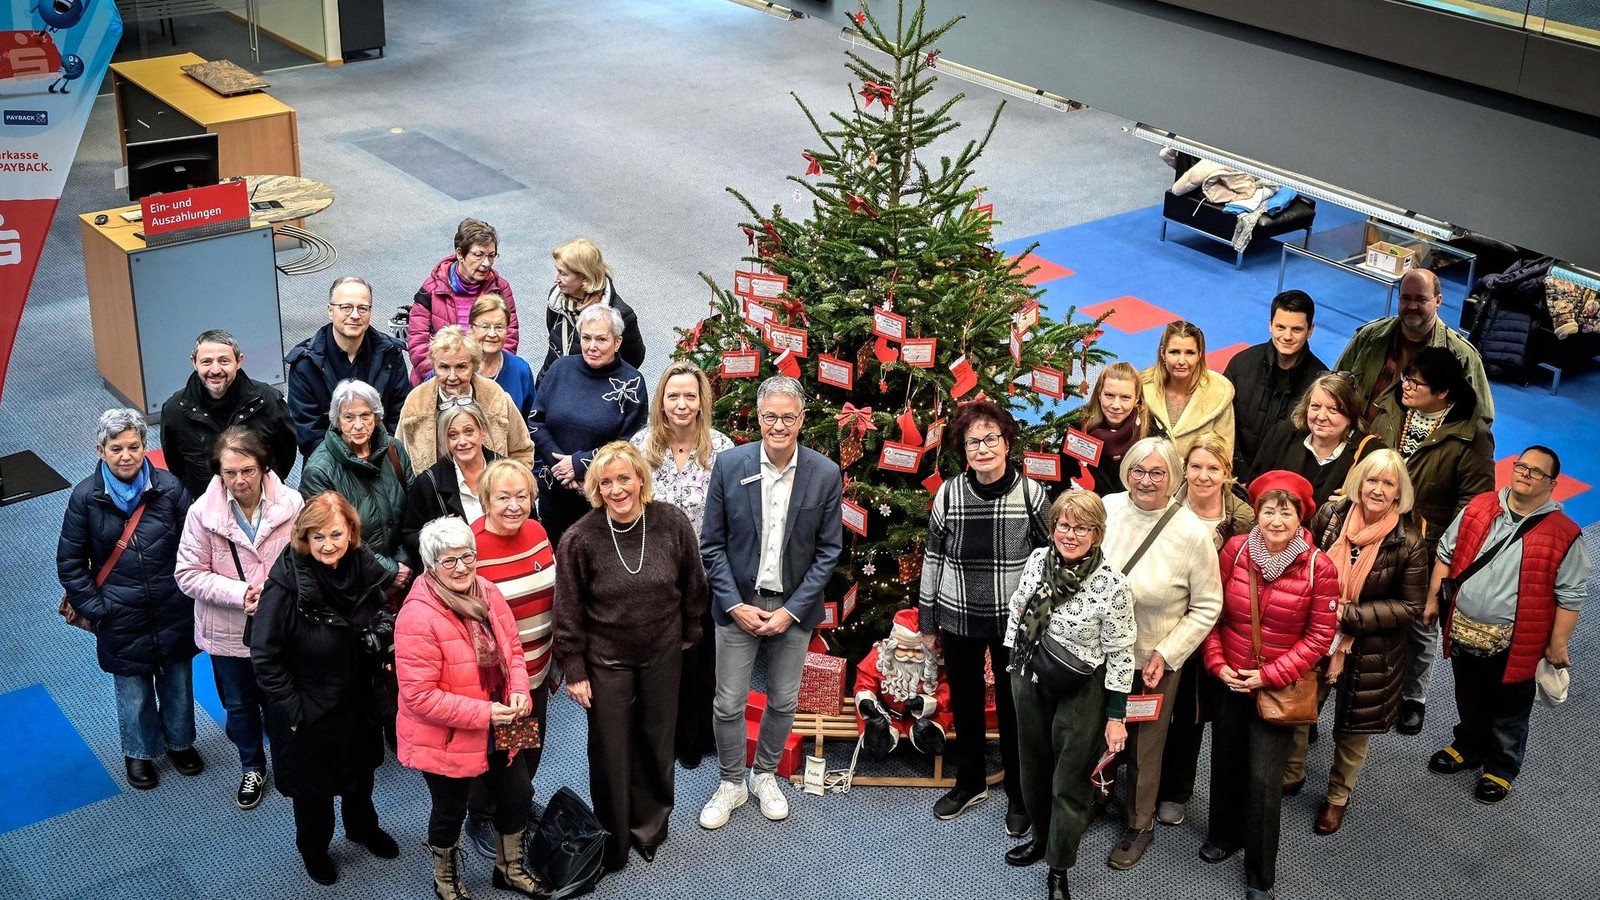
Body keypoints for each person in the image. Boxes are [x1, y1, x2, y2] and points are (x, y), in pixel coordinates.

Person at [553, 442, 708, 872]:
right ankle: (614, 837)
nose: (617, 489)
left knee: (657, 743)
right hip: (606, 659)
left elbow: (693, 583)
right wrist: (575, 670)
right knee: (609, 749)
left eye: (624, 478)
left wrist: (690, 631)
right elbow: (567, 611)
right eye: (606, 482)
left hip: (662, 651)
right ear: (595, 489)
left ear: (641, 478)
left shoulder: (671, 522)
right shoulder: (579, 538)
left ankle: (650, 827)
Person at [698, 376, 843, 831]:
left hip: (793, 608)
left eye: (787, 416)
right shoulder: (729, 464)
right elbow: (712, 546)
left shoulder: (825, 473)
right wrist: (735, 604)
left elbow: (828, 552)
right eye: (769, 416)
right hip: (737, 604)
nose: (778, 425)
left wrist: (791, 611)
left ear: (802, 419)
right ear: (757, 417)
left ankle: (763, 776)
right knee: (727, 703)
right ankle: (730, 782)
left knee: (782, 701)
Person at [249, 492, 400, 886]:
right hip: (308, 707)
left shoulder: (364, 566)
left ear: (351, 531)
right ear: (304, 539)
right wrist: (294, 711)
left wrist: (380, 634)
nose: (328, 545)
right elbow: (264, 655)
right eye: (318, 537)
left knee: (361, 774)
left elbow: (383, 610)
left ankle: (363, 829)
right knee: (312, 793)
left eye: (335, 534)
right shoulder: (285, 585)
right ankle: (314, 851)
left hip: (358, 697)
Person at [1426, 445, 1589, 805]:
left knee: (1510, 707)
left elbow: (1571, 596)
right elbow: (1446, 555)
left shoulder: (1564, 534)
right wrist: (1432, 600)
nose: (1524, 474)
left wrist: (1558, 644)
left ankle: (1501, 767)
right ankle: (1468, 745)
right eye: (1521, 466)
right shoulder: (1480, 507)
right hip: (1465, 629)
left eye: (1535, 471)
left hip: (1517, 643)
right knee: (1468, 693)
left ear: (1553, 484)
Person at [1201, 471, 1338, 900]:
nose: (1276, 520)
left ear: (1302, 517)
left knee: (1263, 780)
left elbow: (1319, 640)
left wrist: (1268, 676)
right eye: (1268, 510)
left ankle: (1261, 873)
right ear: (1256, 512)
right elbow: (1211, 612)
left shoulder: (1321, 567)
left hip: (1275, 688)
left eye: (1287, 511)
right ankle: (1224, 835)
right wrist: (1217, 664)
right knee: (1224, 761)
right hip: (1229, 680)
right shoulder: (1235, 550)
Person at [395, 516, 546, 899]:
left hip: (500, 719)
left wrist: (518, 692)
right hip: (447, 734)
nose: (461, 567)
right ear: (431, 566)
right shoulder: (417, 615)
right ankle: (445, 881)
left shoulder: (488, 592)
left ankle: (509, 870)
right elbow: (420, 697)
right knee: (450, 811)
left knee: (518, 796)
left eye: (467, 556)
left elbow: (512, 648)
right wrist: (484, 713)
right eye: (449, 561)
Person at [916, 399, 1049, 832]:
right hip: (959, 615)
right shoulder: (949, 493)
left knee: (1014, 710)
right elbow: (933, 559)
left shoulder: (1032, 494)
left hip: (1015, 621)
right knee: (967, 705)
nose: (983, 449)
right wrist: (927, 620)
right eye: (974, 442)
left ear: (1007, 443)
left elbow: (1050, 560)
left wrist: (1043, 619)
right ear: (964, 449)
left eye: (991, 439)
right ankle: (969, 781)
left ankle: (1018, 792)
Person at [1281, 450, 1426, 833]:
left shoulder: (1408, 541)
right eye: (1372, 480)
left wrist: (1346, 615)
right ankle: (1292, 773)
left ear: (1399, 493)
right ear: (1359, 481)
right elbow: (1303, 564)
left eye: (1388, 483)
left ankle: (1337, 797)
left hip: (1371, 650)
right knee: (1300, 709)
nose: (1377, 490)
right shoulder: (1331, 517)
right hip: (1314, 637)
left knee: (1354, 730)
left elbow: (1410, 607)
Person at [1002, 490, 1136, 900]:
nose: (1070, 534)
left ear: (1097, 534)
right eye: (1064, 525)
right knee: (1033, 767)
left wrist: (1116, 716)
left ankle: (1058, 868)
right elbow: (1018, 610)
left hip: (1082, 687)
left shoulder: (1113, 584)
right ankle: (1042, 839)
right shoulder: (1037, 560)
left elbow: (1121, 652)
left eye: (1082, 528)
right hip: (1030, 676)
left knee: (1069, 781)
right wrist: (1011, 666)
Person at [57, 409, 199, 791]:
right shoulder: (85, 498)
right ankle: (139, 753)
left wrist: (188, 594)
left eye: (133, 446)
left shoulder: (169, 488)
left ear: (144, 446)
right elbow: (70, 563)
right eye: (116, 448)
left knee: (179, 683)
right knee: (133, 692)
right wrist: (97, 610)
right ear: (100, 450)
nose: (126, 455)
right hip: (119, 614)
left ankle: (180, 743)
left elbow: (196, 544)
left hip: (172, 607)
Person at [1101, 436, 1223, 870]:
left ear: (1173, 478)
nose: (1145, 481)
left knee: (1143, 746)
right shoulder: (1108, 508)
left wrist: (1168, 654)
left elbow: (1208, 604)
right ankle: (1094, 800)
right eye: (1137, 470)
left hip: (1148, 661)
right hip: (1096, 652)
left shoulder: (1191, 532)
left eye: (1157, 473)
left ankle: (1140, 822)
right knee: (1091, 728)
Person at [175, 427, 305, 810]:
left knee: (282, 698)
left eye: (247, 470)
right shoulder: (202, 514)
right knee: (239, 704)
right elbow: (187, 574)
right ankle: (252, 765)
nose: (239, 481)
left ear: (264, 467)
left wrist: (277, 594)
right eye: (229, 473)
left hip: (281, 626)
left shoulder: (293, 504)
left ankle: (287, 762)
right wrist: (238, 594)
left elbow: (305, 561)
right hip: (230, 630)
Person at [1368, 346, 1495, 735]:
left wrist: (1444, 562)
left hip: (1427, 549)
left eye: (1415, 382)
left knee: (1422, 625)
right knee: (1367, 608)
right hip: (1373, 529)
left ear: (1442, 393)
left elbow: (1472, 509)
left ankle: (1413, 697)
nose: (1404, 385)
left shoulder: (1471, 438)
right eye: (1406, 376)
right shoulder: (1390, 407)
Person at [630, 359, 736, 767]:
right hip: (654, 575)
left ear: (701, 401)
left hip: (706, 573)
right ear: (661, 400)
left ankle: (694, 737)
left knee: (700, 660)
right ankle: (663, 735)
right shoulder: (641, 446)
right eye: (673, 395)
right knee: (661, 659)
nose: (681, 403)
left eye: (690, 395)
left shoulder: (721, 448)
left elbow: (733, 514)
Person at [1157, 431, 1254, 827]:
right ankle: (1138, 778)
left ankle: (1177, 790)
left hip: (1210, 628)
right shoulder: (1164, 505)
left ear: (1226, 473)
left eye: (1213, 468)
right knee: (1152, 704)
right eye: (1195, 466)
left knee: (1191, 713)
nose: (1202, 475)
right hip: (1163, 622)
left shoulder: (1242, 518)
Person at [468, 459, 557, 857]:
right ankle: (483, 815)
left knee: (529, 744)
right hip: (498, 679)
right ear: (486, 499)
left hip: (539, 666)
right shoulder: (471, 546)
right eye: (503, 497)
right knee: (500, 752)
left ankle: (516, 801)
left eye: (522, 496)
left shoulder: (538, 532)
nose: (513, 505)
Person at [530, 304, 648, 548]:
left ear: (617, 343)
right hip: (555, 487)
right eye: (586, 338)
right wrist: (561, 467)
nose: (592, 346)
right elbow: (535, 420)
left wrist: (579, 464)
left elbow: (629, 444)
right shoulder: (561, 368)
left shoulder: (632, 383)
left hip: (602, 496)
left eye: (601, 339)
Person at [1335, 267, 1494, 429]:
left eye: (1421, 299)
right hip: (1355, 441)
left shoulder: (1461, 356)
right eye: (1406, 298)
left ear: (1438, 301)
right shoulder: (1369, 337)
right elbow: (1336, 384)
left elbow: (1481, 420)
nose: (1412, 306)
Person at [300, 379, 414, 588]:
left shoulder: (394, 449)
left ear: (376, 416)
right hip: (358, 583)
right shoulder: (318, 471)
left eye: (365, 415)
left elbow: (415, 510)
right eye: (349, 417)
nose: (359, 425)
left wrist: (404, 561)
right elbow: (331, 538)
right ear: (337, 421)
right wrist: (389, 571)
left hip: (407, 571)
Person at [160, 329, 297, 501]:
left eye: (224, 361)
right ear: (194, 362)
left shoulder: (268, 402)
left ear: (239, 361)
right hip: (207, 508)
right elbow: (176, 465)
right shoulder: (175, 411)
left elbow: (286, 453)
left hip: (263, 502)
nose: (215, 370)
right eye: (206, 362)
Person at [286, 276, 411, 459]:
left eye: (362, 308)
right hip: (329, 465)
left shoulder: (390, 354)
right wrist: (353, 464)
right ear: (330, 310)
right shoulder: (305, 364)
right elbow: (309, 434)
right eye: (346, 307)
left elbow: (399, 416)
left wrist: (377, 458)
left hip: (382, 459)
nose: (354, 315)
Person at [396, 326, 534, 473]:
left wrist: (507, 487)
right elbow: (400, 461)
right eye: (444, 367)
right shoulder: (415, 403)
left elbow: (522, 451)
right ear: (434, 367)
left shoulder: (496, 397)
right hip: (434, 493)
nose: (452, 376)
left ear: (474, 366)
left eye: (461, 367)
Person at [1222, 291, 1328, 476]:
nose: (1287, 336)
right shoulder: (1241, 364)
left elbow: (1321, 442)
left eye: (1297, 329)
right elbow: (1222, 422)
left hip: (1283, 488)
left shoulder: (1321, 383)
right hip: (1232, 475)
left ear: (1310, 330)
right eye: (1280, 327)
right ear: (1270, 325)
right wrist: (1239, 474)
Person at [1247, 371, 1385, 509]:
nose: (1321, 416)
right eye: (1315, 406)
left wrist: (1356, 503)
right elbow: (1253, 489)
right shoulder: (1282, 435)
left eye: (1333, 409)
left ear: (1350, 415)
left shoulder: (1372, 454)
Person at [411, 217, 519, 384]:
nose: (486, 263)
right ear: (460, 254)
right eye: (478, 255)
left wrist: (489, 378)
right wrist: (443, 377)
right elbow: (418, 342)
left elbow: (509, 336)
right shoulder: (431, 289)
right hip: (441, 380)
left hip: (487, 380)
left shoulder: (500, 289)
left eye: (491, 256)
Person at [401, 402, 500, 567]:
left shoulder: (506, 471)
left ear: (483, 431)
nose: (462, 441)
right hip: (456, 576)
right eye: (453, 435)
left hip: (505, 565)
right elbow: (410, 535)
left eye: (469, 432)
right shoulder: (428, 483)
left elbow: (527, 521)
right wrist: (443, 540)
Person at [540, 237, 644, 381]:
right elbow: (552, 331)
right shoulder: (556, 298)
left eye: (562, 273)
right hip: (553, 382)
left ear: (585, 278)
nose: (556, 279)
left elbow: (633, 360)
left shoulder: (622, 315)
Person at [1140, 320, 1234, 461]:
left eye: (1189, 353)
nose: (1182, 361)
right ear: (1163, 353)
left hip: (1196, 480)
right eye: (1175, 352)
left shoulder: (1219, 394)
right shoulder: (1141, 387)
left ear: (1199, 355)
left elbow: (1223, 454)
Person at [1079, 362, 1163, 496]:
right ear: (1099, 394)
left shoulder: (1153, 432)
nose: (1116, 405)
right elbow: (1064, 479)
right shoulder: (1079, 425)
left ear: (1137, 399)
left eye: (1125, 397)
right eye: (1109, 395)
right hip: (1086, 511)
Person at [470, 293, 536, 424]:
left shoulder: (521, 370)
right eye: (485, 326)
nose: (492, 334)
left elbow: (530, 420)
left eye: (499, 327)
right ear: (472, 328)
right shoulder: (454, 365)